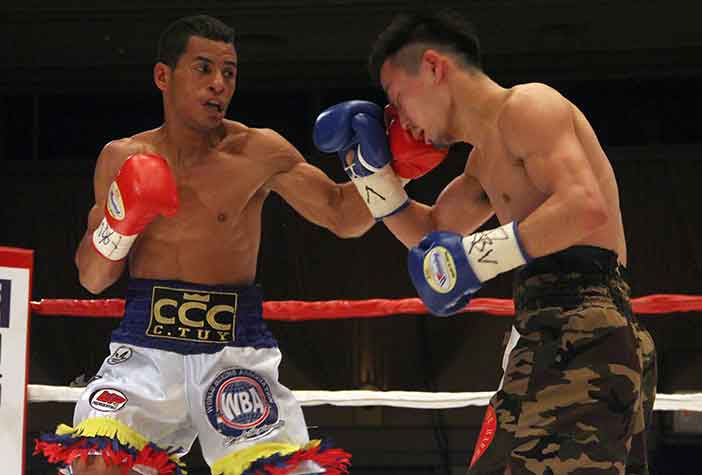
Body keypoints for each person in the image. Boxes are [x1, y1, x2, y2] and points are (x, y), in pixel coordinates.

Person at [313, 10, 657, 475]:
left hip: (585, 324)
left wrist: (479, 256)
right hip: (550, 328)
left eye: (397, 97)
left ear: (434, 67)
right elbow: (434, 238)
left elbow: (583, 206)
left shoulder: (530, 106)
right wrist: (372, 178)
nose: (400, 120)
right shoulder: (483, 160)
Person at [33, 14, 379, 475]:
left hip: (233, 351)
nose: (219, 83)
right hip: (145, 348)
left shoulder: (259, 152)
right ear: (163, 76)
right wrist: (122, 222)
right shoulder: (123, 157)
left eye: (229, 72)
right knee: (97, 460)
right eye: (203, 68)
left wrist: (389, 171)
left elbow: (343, 216)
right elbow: (93, 277)